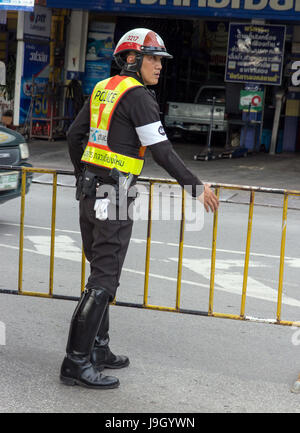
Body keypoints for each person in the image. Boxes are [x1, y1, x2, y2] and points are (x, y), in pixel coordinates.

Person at [60, 28, 219, 389]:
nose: (159, 66)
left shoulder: (103, 89)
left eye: (161, 60)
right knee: (103, 280)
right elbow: (162, 153)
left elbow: (74, 136)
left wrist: (82, 176)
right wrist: (197, 187)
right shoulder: (139, 97)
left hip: (90, 194)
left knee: (101, 272)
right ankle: (76, 361)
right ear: (131, 60)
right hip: (113, 197)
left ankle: (99, 348)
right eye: (152, 58)